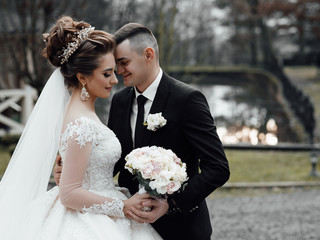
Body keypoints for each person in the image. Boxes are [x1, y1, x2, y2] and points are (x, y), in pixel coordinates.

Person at [0, 17, 162, 240]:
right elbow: (70, 194)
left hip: (100, 204)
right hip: (89, 219)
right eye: (107, 74)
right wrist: (123, 206)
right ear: (82, 77)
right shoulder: (82, 124)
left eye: (113, 72)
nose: (114, 81)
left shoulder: (83, 114)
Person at [55, 23, 230, 240]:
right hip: (127, 224)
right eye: (115, 65)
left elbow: (218, 168)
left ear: (148, 54)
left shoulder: (187, 100)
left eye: (123, 63)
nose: (118, 72)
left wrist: (172, 204)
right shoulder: (119, 101)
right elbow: (114, 157)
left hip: (181, 227)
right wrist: (74, 171)